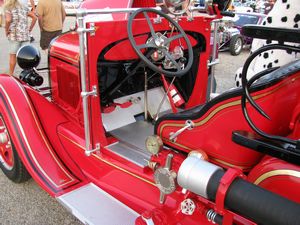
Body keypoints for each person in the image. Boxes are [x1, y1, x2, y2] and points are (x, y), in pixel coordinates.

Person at [4, 0, 37, 76]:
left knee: (13, 56)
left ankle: (11, 74)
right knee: (27, 56)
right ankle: (28, 74)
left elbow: (8, 20)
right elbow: (34, 17)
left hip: (14, 35)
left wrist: (6, 30)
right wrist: (30, 29)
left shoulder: (8, 7)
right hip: (25, 35)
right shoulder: (23, 7)